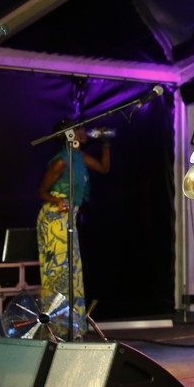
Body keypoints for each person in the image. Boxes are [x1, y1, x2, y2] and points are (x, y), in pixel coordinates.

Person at [37, 123, 110, 339]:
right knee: (58, 274)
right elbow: (42, 191)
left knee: (73, 273)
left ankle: (72, 327)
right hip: (54, 220)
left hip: (69, 220)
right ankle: (55, 329)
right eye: (80, 129)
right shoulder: (61, 161)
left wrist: (106, 144)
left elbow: (104, 168)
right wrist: (58, 200)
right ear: (70, 134)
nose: (84, 132)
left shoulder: (80, 158)